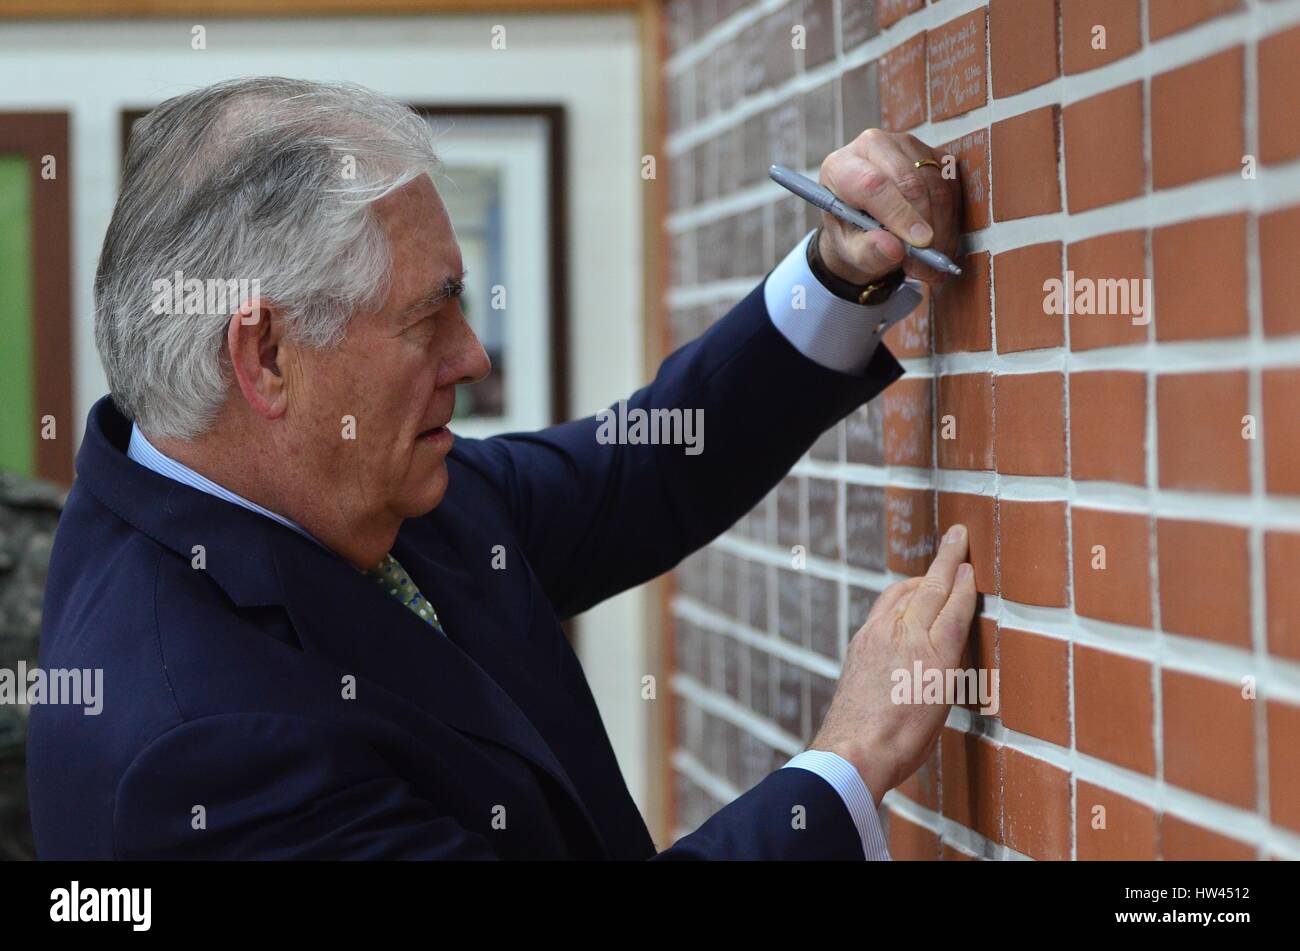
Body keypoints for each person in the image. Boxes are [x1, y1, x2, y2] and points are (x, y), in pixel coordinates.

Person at [28, 77, 973, 860]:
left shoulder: (337, 488)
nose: (473, 357)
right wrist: (848, 760)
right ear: (267, 354)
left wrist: (843, 269)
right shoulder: (197, 751)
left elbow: (638, 474)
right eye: (426, 317)